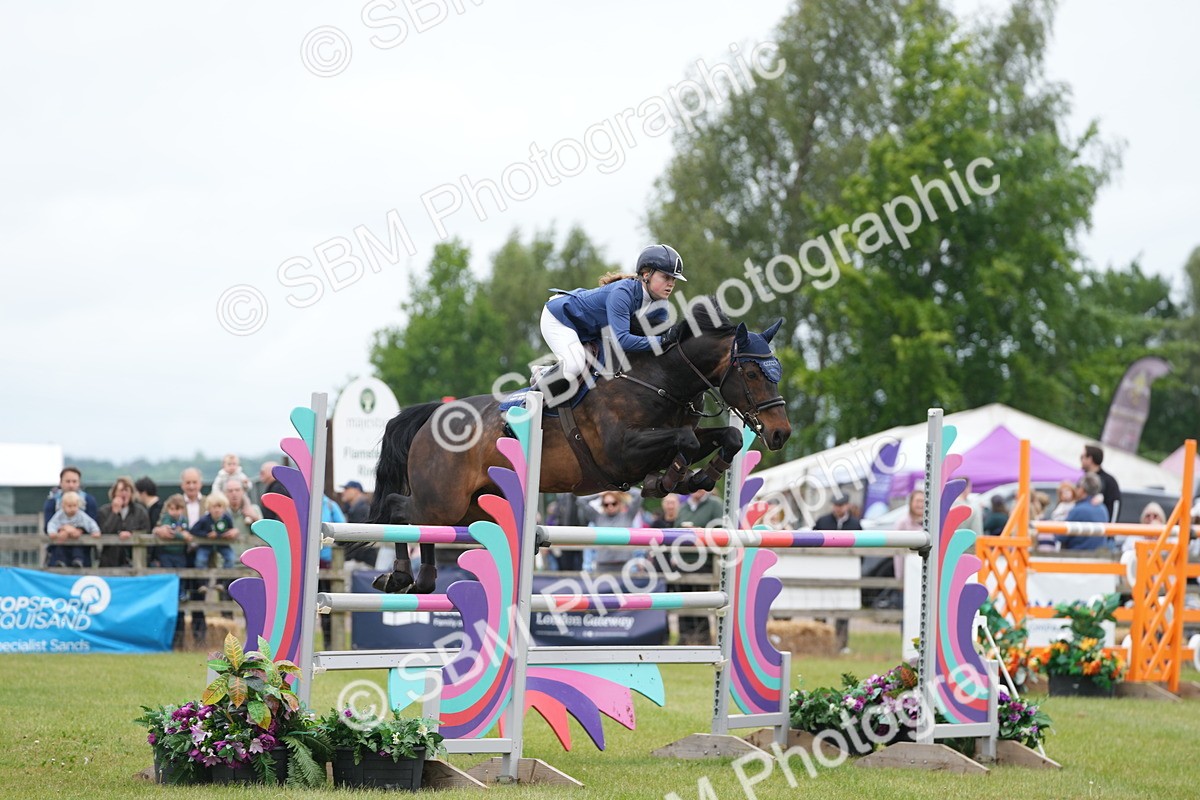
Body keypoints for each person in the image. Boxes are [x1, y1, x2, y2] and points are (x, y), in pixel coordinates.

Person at [534, 244, 684, 405]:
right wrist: (662, 340)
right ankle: (530, 399)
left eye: (673, 279)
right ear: (646, 275)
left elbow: (659, 342)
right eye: (666, 277)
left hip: (589, 329)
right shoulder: (622, 293)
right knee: (575, 365)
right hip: (561, 317)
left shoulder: (661, 305)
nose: (671, 284)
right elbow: (623, 340)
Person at [43, 467, 101, 565]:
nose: (71, 485)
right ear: (61, 483)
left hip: (82, 553)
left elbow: (93, 523)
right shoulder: (52, 501)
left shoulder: (89, 501)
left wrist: (79, 530)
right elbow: (48, 526)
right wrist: (64, 529)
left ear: (79, 483)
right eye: (68, 481)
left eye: (74, 481)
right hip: (57, 551)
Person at [98, 476, 151, 567]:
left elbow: (146, 531)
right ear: (114, 493)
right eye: (121, 490)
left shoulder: (140, 512)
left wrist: (131, 535)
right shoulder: (104, 511)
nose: (124, 494)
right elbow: (103, 532)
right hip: (109, 561)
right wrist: (114, 513)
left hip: (134, 560)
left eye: (127, 490)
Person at [45, 491, 101, 567]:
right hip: (63, 540)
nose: (72, 508)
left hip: (76, 539)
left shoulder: (81, 515)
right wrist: (52, 532)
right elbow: (52, 523)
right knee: (60, 547)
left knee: (78, 547)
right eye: (69, 506)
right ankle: (60, 562)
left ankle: (78, 560)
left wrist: (95, 531)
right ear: (63, 506)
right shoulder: (59, 515)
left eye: (75, 506)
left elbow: (90, 522)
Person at [1060, 474, 1108, 551]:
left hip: (1077, 556)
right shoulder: (1102, 509)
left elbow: (1061, 536)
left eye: (1077, 486)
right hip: (1098, 557)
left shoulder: (1078, 510)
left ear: (1082, 489)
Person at [191, 492, 238, 569]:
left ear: (224, 508)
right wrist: (206, 534)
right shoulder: (204, 519)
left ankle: (224, 579)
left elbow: (230, 530)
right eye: (214, 507)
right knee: (200, 560)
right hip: (206, 544)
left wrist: (222, 534)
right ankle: (204, 580)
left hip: (222, 543)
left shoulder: (227, 518)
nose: (217, 510)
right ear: (209, 508)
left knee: (231, 558)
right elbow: (194, 530)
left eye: (219, 506)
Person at [1081, 444, 1121, 522]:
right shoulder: (1083, 479)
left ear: (1090, 458)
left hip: (1100, 529)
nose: (1081, 460)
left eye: (1083, 457)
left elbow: (1115, 507)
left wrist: (1110, 531)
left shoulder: (1109, 481)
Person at [151, 494, 193, 569]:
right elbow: (169, 532)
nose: (174, 512)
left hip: (180, 553)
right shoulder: (166, 518)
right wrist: (182, 536)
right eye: (172, 509)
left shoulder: (184, 520)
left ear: (182, 509)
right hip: (166, 553)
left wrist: (186, 535)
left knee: (181, 573)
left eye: (177, 509)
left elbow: (187, 531)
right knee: (168, 572)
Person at [224, 479, 262, 547]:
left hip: (249, 555)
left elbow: (265, 535)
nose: (234, 493)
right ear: (225, 493)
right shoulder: (219, 512)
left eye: (237, 490)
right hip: (226, 556)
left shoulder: (254, 509)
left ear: (243, 492)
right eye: (230, 491)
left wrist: (255, 518)